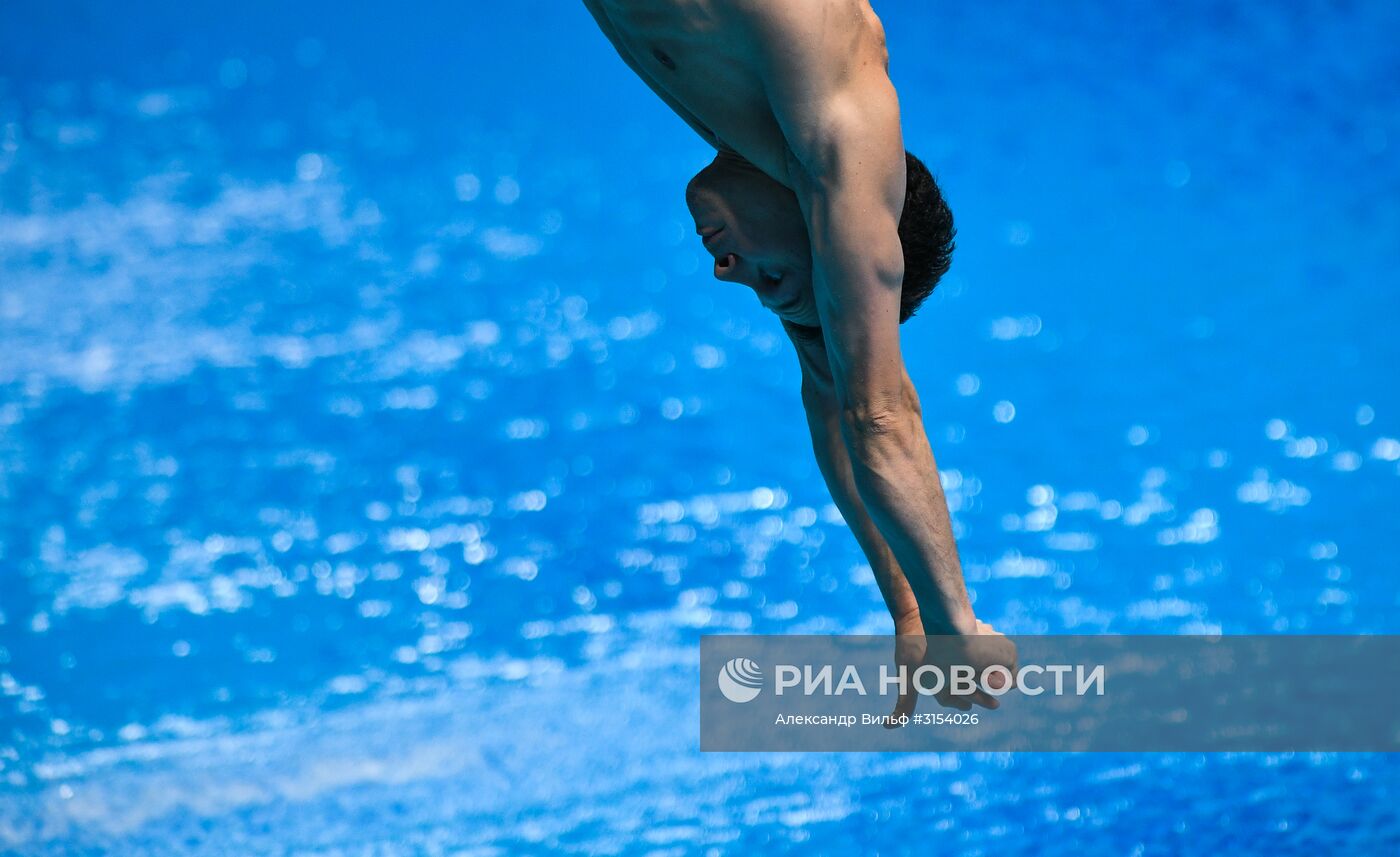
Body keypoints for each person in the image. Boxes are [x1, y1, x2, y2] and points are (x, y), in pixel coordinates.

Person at [582, 0, 1015, 715]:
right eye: (771, 279)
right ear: (828, 228)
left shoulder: (747, 112)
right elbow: (875, 412)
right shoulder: (839, 118)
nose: (726, 272)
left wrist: (906, 608)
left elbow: (826, 380)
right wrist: (953, 623)